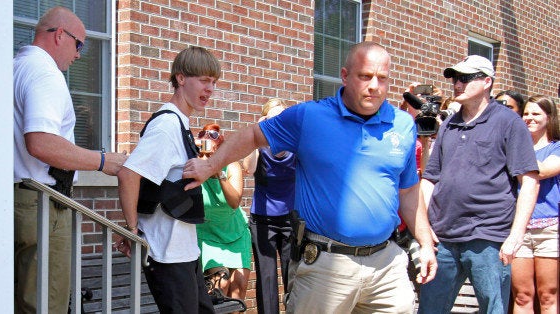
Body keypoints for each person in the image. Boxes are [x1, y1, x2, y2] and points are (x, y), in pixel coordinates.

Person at [183, 41, 438, 313]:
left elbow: (408, 191)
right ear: (344, 75)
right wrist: (210, 167)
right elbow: (252, 135)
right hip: (327, 267)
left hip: (387, 266)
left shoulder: (402, 125)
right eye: (365, 76)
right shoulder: (310, 117)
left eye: (382, 78)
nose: (374, 86)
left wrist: (424, 242)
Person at [13, 6, 128, 313]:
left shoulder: (16, 66)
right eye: (79, 45)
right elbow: (41, 141)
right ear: (59, 35)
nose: (79, 55)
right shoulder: (45, 72)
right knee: (45, 303)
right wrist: (103, 161)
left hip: (18, 199)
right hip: (41, 203)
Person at [418, 55, 540, 314]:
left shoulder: (509, 122)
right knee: (429, 309)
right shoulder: (449, 124)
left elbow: (528, 180)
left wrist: (516, 236)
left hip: (488, 237)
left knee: (493, 309)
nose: (457, 84)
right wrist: (424, 229)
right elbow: (430, 179)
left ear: (486, 81)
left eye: (464, 78)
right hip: (444, 238)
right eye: (454, 79)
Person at [115, 46, 220, 313]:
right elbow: (129, 173)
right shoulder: (167, 125)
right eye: (204, 80)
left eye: (214, 83)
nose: (210, 89)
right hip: (166, 252)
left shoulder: (180, 122)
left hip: (184, 250)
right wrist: (131, 229)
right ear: (181, 78)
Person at [242, 98, 296, 314]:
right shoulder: (260, 145)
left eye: (282, 116)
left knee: (293, 276)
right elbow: (248, 167)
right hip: (263, 219)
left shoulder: (295, 142)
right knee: (266, 278)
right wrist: (258, 131)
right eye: (274, 117)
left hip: (290, 218)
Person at [512, 95, 559, 314]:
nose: (529, 118)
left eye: (536, 113)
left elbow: (542, 171)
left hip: (549, 230)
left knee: (548, 295)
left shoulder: (556, 148)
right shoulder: (513, 147)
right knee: (522, 295)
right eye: (526, 113)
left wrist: (513, 155)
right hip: (517, 230)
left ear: (549, 117)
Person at [195, 123, 252, 304]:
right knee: (220, 284)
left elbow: (234, 202)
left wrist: (217, 169)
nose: (208, 155)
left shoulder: (231, 167)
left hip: (235, 232)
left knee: (240, 285)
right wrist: (201, 164)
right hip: (208, 233)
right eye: (203, 148)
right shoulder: (195, 167)